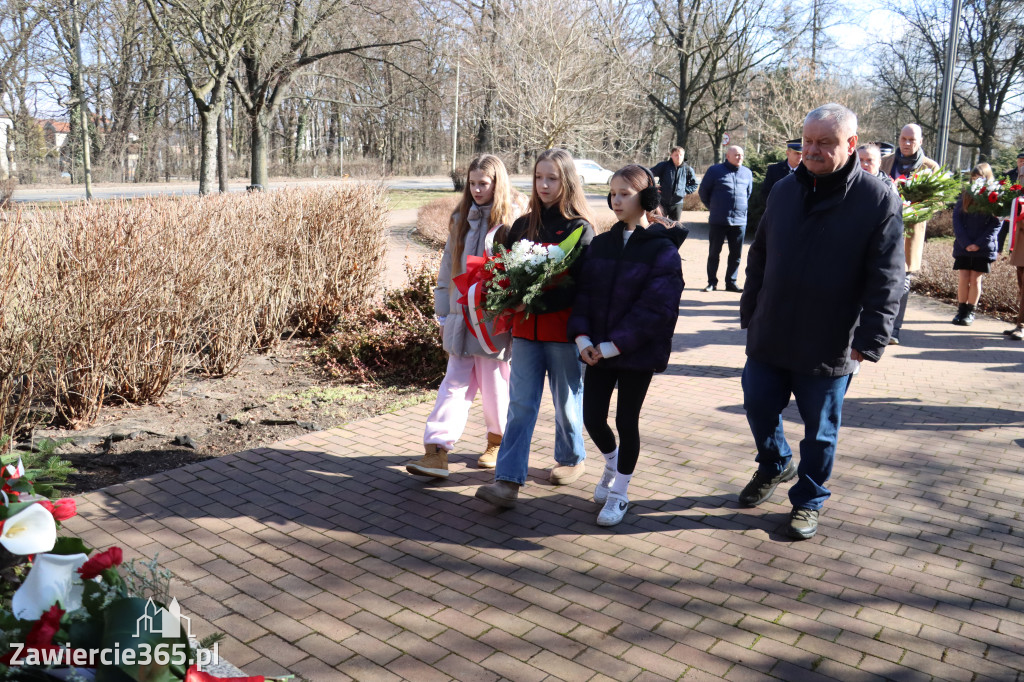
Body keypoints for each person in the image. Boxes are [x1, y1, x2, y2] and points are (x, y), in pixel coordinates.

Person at [738, 103, 904, 540]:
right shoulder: (783, 190)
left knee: (820, 433)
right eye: (807, 141)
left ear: (850, 145)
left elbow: (888, 277)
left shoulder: (877, 198)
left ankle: (809, 500)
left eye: (824, 143)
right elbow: (760, 254)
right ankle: (775, 462)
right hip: (771, 328)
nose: (811, 150)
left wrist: (870, 342)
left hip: (832, 340)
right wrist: (750, 311)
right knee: (757, 404)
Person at [475, 148, 595, 509]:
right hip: (526, 332)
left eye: (552, 178)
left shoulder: (580, 228)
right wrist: (509, 293)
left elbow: (582, 286)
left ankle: (571, 457)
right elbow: (503, 272)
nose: (544, 185)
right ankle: (508, 481)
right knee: (521, 406)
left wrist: (541, 297)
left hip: (564, 333)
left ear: (567, 181)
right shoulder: (521, 226)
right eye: (539, 177)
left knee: (566, 404)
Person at [568, 165, 685, 526]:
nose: (616, 200)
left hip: (635, 353)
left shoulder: (663, 251)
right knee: (591, 418)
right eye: (612, 193)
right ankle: (613, 465)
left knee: (625, 420)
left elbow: (657, 310)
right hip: (597, 349)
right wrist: (584, 339)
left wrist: (613, 346)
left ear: (647, 199)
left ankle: (620, 492)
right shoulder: (601, 244)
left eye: (624, 193)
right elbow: (583, 294)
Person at [406, 155, 522, 479]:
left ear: (497, 184)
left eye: (483, 183)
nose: (476, 189)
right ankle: (436, 451)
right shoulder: (460, 218)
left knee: (496, 384)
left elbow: (519, 271)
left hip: (492, 321)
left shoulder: (512, 221)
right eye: (472, 183)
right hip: (460, 317)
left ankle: (498, 441)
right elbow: (447, 266)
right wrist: (442, 310)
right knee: (454, 383)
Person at [881, 124, 939, 345]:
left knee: (903, 282)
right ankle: (879, 326)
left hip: (911, 233)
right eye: (904, 138)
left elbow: (938, 200)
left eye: (912, 140)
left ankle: (894, 329)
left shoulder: (929, 167)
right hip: (885, 231)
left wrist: (915, 211)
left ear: (920, 142)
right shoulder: (886, 163)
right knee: (882, 279)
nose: (906, 143)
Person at [950, 164, 1002, 327]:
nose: (976, 181)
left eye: (980, 178)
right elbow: (957, 220)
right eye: (974, 178)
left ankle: (970, 312)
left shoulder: (994, 196)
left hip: (983, 247)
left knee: (975, 279)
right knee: (964, 278)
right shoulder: (966, 195)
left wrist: (979, 244)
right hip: (964, 246)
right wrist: (965, 243)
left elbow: (996, 224)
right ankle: (961, 310)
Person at [698, 145, 753, 293]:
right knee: (714, 253)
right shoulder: (715, 171)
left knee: (736, 255)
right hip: (719, 220)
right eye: (736, 155)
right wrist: (714, 207)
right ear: (727, 156)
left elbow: (748, 193)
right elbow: (703, 192)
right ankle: (712, 282)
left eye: (741, 155)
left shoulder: (747, 173)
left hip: (740, 221)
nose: (740, 157)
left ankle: (731, 282)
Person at [650, 147, 698, 221]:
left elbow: (694, 184)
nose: (678, 157)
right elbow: (648, 175)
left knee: (674, 227)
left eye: (681, 155)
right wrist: (653, 186)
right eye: (676, 155)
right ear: (671, 155)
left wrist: (684, 191)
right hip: (662, 202)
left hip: (677, 204)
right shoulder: (663, 166)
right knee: (659, 225)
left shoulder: (688, 169)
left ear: (683, 156)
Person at [997, 151, 1024, 254]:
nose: (1022, 163)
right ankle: (998, 251)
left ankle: (1014, 254)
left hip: (1022, 208)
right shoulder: (1009, 174)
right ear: (1017, 162)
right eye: (1020, 161)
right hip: (1010, 206)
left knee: (1018, 231)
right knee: (1003, 229)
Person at [1005, 196, 1024, 341]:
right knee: (1021, 288)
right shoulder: (1019, 200)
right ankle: (1020, 323)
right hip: (1021, 248)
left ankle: (1021, 326)